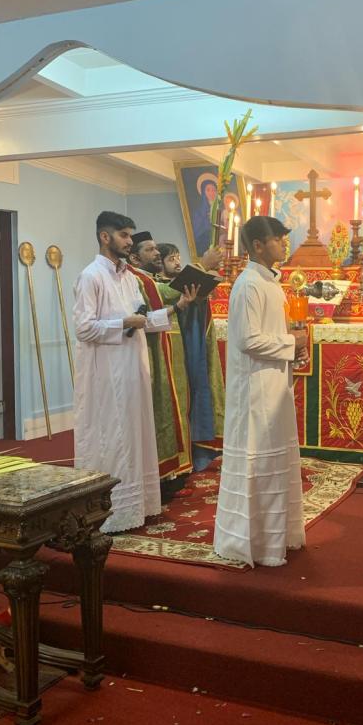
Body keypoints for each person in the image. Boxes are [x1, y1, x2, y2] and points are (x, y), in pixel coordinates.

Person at [213, 216, 308, 567]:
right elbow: (247, 339)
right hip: (254, 390)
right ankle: (249, 542)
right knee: (256, 460)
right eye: (277, 239)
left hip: (273, 384)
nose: (283, 244)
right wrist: (291, 342)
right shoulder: (248, 284)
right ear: (257, 245)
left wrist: (293, 349)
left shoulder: (271, 282)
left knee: (274, 459)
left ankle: (275, 537)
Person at [73, 212, 168, 533]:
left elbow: (142, 320)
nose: (130, 241)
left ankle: (138, 504)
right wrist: (124, 323)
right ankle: (107, 511)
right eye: (124, 235)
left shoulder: (129, 277)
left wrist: (178, 307)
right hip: (105, 373)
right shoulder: (91, 276)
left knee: (135, 434)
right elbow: (84, 328)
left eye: (130, 235)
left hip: (132, 370)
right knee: (111, 437)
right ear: (105, 237)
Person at [127, 231, 197, 502]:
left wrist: (180, 305)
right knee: (160, 410)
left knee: (173, 406)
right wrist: (203, 267)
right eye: (150, 250)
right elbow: (164, 295)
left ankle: (172, 473)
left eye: (157, 249)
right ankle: (160, 477)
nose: (157, 253)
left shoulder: (145, 278)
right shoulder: (137, 279)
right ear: (134, 257)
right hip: (146, 354)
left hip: (163, 349)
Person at [157, 242, 226, 471]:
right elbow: (168, 293)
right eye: (171, 259)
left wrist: (201, 296)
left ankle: (197, 451)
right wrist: (202, 265)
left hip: (187, 346)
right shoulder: (153, 284)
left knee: (195, 394)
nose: (177, 262)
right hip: (168, 349)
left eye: (178, 257)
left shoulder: (174, 284)